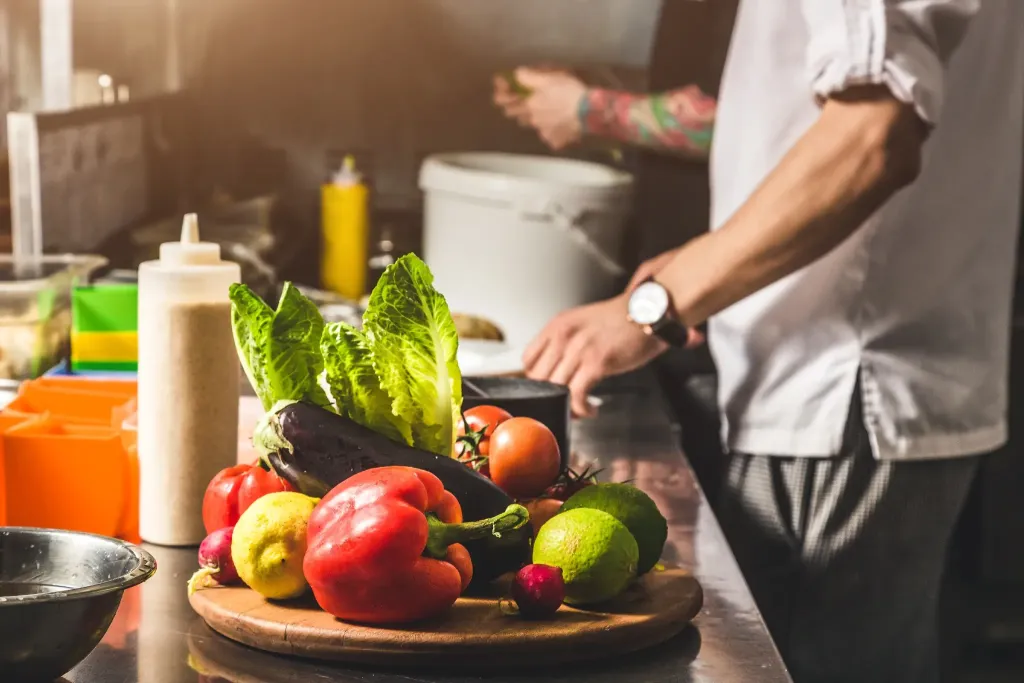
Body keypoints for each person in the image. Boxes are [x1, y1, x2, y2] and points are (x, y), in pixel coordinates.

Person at [495, 2, 1024, 682]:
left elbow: (873, 134)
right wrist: (709, 260)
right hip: (842, 384)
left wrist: (656, 306)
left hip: (842, 388)